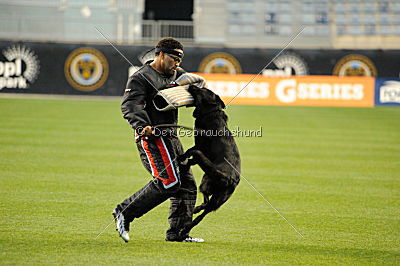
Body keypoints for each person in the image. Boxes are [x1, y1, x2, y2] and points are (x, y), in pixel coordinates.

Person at [113, 37, 204, 243]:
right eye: (174, 58)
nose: (177, 63)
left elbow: (192, 91)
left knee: (187, 186)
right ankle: (124, 212)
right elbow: (130, 105)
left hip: (172, 137)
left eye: (180, 59)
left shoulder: (178, 74)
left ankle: (178, 234)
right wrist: (141, 125)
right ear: (160, 54)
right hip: (152, 137)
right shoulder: (141, 78)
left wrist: (201, 94)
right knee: (169, 182)